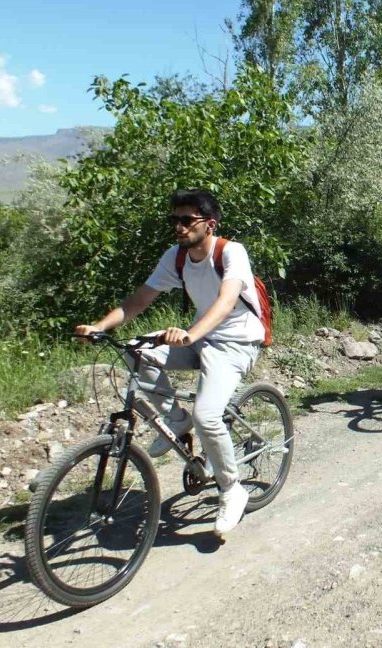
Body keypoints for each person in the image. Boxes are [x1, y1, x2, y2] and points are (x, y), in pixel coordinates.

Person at [74, 189, 265, 538]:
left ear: (210, 224)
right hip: (200, 336)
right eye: (174, 220)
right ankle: (177, 420)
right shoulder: (175, 257)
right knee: (136, 349)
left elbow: (225, 303)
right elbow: (139, 301)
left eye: (186, 220)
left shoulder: (231, 252)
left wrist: (190, 335)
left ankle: (231, 487)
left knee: (208, 415)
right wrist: (100, 327)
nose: (178, 227)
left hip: (237, 341)